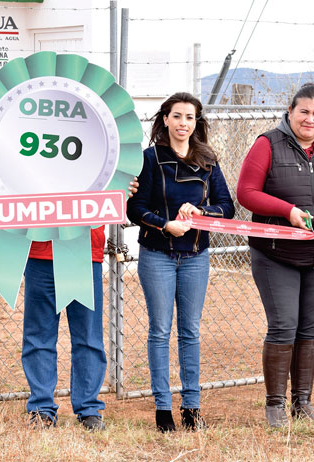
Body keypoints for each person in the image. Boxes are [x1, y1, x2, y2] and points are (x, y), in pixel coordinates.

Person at [0, 180, 138, 432]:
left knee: (87, 336)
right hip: (38, 250)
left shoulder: (93, 141)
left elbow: (111, 184)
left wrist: (123, 185)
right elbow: (7, 174)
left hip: (82, 249)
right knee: (39, 335)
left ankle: (88, 410)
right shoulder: (26, 143)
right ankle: (41, 409)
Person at [237, 83, 314, 427]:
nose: (310, 119)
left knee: (309, 328)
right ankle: (275, 404)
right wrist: (288, 211)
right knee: (283, 326)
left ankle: (302, 402)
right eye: (303, 111)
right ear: (290, 112)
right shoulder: (267, 144)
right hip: (276, 254)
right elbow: (246, 192)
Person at [127, 92, 234, 432]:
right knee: (160, 331)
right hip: (157, 255)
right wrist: (164, 224)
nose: (183, 124)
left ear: (196, 122)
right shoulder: (149, 158)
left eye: (189, 117)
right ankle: (162, 410)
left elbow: (227, 207)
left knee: (190, 332)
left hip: (195, 258)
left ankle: (191, 408)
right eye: (177, 117)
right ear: (165, 120)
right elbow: (134, 208)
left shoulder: (208, 161)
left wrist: (202, 212)